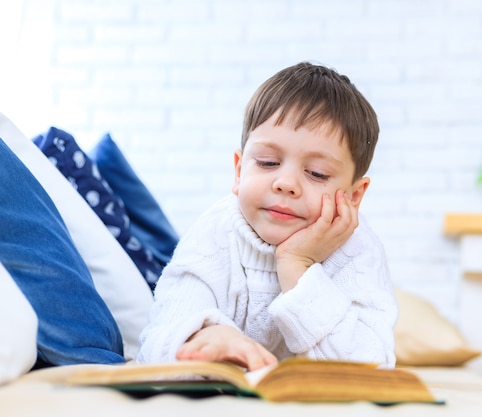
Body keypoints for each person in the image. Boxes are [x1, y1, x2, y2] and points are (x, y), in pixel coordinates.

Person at [137, 62, 397, 370]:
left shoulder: (358, 251)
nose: (285, 183)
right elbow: (158, 341)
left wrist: (297, 267)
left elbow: (371, 368)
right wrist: (205, 335)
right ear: (239, 169)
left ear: (353, 197)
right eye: (268, 162)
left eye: (317, 173)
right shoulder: (217, 231)